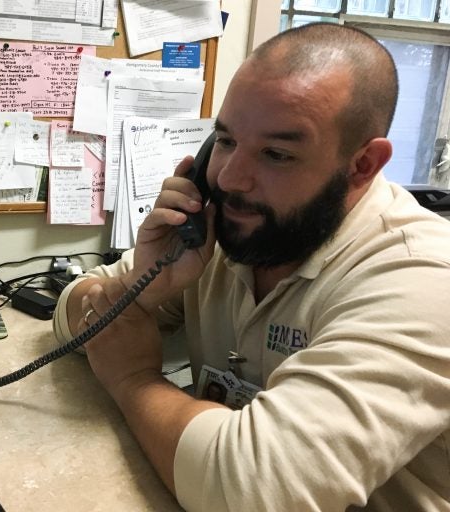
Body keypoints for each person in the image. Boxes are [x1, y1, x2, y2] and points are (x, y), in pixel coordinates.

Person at [52, 23, 450, 511]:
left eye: (277, 154)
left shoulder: (423, 278)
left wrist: (133, 379)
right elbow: (69, 312)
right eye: (224, 140)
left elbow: (253, 491)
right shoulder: (229, 228)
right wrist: (141, 288)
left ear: (362, 165)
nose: (229, 177)